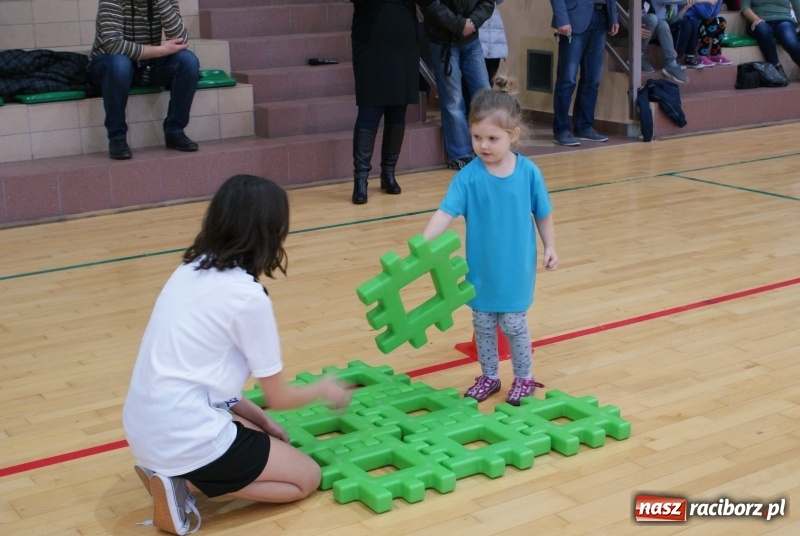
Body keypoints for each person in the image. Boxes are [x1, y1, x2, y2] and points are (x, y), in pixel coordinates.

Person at [122, 175, 351, 535]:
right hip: (184, 432)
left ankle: (168, 471)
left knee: (261, 433)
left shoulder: (189, 269)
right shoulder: (247, 298)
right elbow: (279, 395)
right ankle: (184, 483)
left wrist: (262, 420)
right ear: (271, 232)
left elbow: (209, 377)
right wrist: (325, 388)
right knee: (306, 478)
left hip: (145, 426)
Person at [421, 77, 558, 405]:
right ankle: (490, 375)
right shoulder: (468, 176)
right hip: (481, 269)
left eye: (493, 138)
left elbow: (543, 213)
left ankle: (524, 377)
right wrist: (422, 242)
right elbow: (445, 212)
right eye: (477, 137)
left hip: (515, 269)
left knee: (512, 323)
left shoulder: (528, 173)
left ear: (513, 136)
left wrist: (550, 246)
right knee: (482, 323)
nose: (483, 145)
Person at [89, 0, 200, 160]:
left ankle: (174, 131)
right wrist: (161, 50)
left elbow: (181, 40)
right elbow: (113, 46)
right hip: (109, 63)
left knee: (188, 61)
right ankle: (117, 138)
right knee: (120, 64)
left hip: (147, 62)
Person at [350, 0, 420, 205]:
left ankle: (388, 173)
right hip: (371, 38)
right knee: (369, 109)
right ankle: (360, 179)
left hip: (404, 37)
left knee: (398, 110)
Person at [419, 0, 495, 170]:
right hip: (443, 40)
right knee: (453, 100)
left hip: (471, 38)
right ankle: (461, 154)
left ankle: (490, 147)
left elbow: (488, 3)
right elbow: (430, 5)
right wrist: (459, 24)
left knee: (485, 95)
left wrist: (473, 22)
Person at [550, 0, 619, 147]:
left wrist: (613, 16)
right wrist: (562, 18)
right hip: (573, 17)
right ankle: (561, 129)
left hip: (601, 16)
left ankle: (584, 127)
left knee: (593, 78)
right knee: (567, 78)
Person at [741, 0, 800, 77]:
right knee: (763, 30)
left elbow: (798, 8)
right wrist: (756, 19)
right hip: (759, 21)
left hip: (784, 20)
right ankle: (776, 67)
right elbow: (745, 8)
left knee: (790, 41)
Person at [641, 2, 690, 83]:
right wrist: (633, 26)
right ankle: (639, 57)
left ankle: (672, 64)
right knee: (652, 18)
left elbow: (673, 20)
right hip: (625, 31)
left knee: (662, 23)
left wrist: (685, 8)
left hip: (650, 30)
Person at [685, 0, 732, 66]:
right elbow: (706, 14)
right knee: (712, 22)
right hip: (691, 24)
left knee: (721, 21)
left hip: (704, 22)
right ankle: (701, 54)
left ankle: (715, 54)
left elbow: (714, 15)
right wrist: (711, 3)